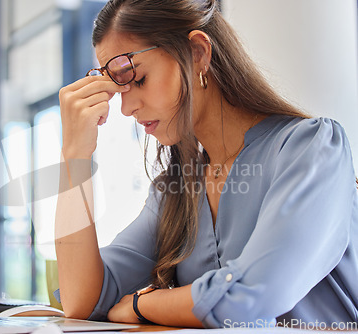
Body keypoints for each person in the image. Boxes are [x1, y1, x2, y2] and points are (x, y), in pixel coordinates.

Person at [55, 0, 358, 329]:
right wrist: (75, 153)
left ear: (198, 53)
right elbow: (83, 300)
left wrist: (144, 304)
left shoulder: (309, 148)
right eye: (118, 89)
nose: (126, 108)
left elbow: (252, 299)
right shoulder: (176, 190)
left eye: (137, 79)